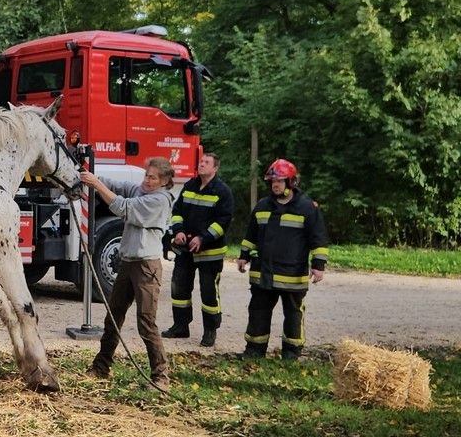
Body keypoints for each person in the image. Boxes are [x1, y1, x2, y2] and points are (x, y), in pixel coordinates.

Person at [81, 157, 176, 391]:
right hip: (127, 263)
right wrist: (90, 176)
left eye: (152, 177)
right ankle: (101, 367)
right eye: (146, 175)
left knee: (146, 322)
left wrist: (96, 185)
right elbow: (119, 186)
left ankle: (161, 377)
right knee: (113, 317)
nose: (147, 180)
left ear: (163, 181)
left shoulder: (159, 200)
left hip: (146, 267)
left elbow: (123, 207)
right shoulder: (142, 191)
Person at [237, 158, 328, 361]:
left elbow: (319, 239)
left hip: (292, 274)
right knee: (258, 311)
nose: (275, 185)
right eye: (272, 182)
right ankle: (254, 350)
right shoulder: (262, 206)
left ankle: (291, 352)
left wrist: (318, 265)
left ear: (291, 182)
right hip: (263, 272)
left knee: (293, 314)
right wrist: (243, 256)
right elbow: (251, 235)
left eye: (279, 181)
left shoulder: (307, 208)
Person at [162, 152, 235, 347]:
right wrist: (178, 231)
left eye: (206, 162)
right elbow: (177, 212)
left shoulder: (222, 191)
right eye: (201, 161)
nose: (201, 164)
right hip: (185, 250)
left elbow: (223, 221)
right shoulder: (190, 186)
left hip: (210, 253)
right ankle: (180, 326)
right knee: (179, 289)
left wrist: (203, 238)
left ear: (215, 168)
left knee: (209, 292)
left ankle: (210, 331)